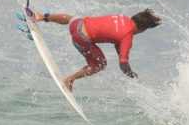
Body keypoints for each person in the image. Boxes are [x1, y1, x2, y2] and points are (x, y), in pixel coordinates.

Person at [31, 9, 161, 91]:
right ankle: (69, 79)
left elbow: (116, 40)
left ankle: (42, 16)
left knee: (73, 18)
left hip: (77, 25)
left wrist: (121, 52)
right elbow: (123, 65)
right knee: (100, 64)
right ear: (143, 29)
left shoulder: (122, 17)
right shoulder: (128, 36)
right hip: (81, 38)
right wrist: (132, 76)